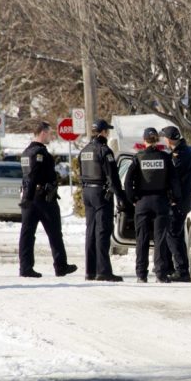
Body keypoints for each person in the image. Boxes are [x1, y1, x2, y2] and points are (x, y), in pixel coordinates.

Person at [18, 120, 77, 278]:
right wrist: (29, 197)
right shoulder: (39, 153)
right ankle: (61, 265)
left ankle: (25, 267)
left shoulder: (25, 152)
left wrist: (26, 198)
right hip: (42, 199)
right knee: (54, 233)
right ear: (42, 133)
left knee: (27, 233)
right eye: (50, 133)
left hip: (30, 197)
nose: (51, 136)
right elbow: (33, 176)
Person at [124, 127, 180, 283]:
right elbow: (174, 180)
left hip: (142, 202)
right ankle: (161, 274)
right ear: (157, 140)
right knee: (160, 239)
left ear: (144, 141)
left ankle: (141, 274)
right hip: (161, 202)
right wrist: (174, 198)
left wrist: (132, 198)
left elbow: (128, 181)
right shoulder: (165, 158)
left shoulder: (138, 158)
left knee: (141, 239)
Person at [79, 119, 131, 282]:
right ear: (102, 132)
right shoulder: (104, 151)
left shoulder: (85, 150)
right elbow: (113, 177)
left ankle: (90, 270)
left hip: (87, 192)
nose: (108, 134)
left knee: (91, 231)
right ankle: (103, 271)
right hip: (101, 194)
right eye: (107, 131)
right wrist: (122, 199)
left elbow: (80, 174)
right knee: (102, 232)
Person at [159, 126, 191, 282]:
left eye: (164, 138)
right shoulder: (182, 152)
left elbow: (173, 178)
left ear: (169, 139)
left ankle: (182, 271)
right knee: (175, 235)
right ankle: (173, 268)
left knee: (173, 235)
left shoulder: (181, 155)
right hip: (181, 201)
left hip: (179, 202)